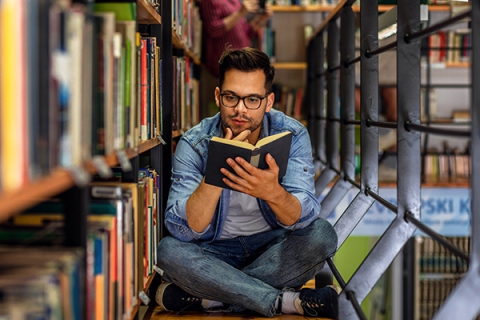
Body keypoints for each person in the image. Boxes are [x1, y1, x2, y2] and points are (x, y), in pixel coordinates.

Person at [155, 48, 339, 318]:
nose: (240, 109)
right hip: (214, 251)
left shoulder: (293, 134)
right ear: (218, 96)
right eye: (231, 97)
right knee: (168, 251)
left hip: (271, 247)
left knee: (322, 235)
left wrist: (272, 192)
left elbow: (304, 217)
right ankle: (281, 301)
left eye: (253, 99)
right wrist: (215, 175)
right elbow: (183, 230)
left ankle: (213, 297)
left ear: (269, 101)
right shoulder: (194, 143)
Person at [198, 0, 272, 118]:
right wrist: (240, 13)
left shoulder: (236, 2)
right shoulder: (211, 1)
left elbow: (246, 32)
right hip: (222, 64)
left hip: (241, 64)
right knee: (228, 109)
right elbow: (213, 29)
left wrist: (261, 19)